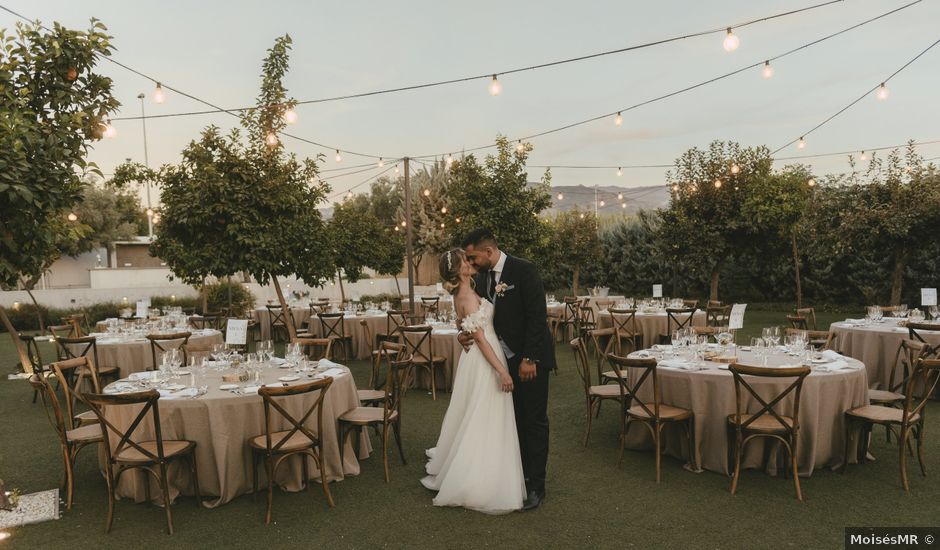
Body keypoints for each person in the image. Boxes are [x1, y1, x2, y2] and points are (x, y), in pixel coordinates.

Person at [420, 248, 526, 514]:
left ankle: (489, 465)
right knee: (484, 414)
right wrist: (502, 371)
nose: (471, 262)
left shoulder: (463, 294)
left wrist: (460, 332)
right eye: (466, 260)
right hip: (484, 359)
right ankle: (477, 476)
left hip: (480, 356)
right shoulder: (465, 295)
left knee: (481, 413)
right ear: (459, 270)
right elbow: (478, 338)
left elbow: (462, 324)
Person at [459, 228, 555, 511]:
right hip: (501, 361)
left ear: (488, 252)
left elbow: (538, 317)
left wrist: (529, 358)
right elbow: (479, 317)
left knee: (534, 421)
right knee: (513, 420)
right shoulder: (481, 278)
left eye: (473, 257)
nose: (471, 263)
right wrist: (463, 332)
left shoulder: (524, 270)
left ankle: (537, 486)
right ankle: (520, 477)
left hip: (530, 360)